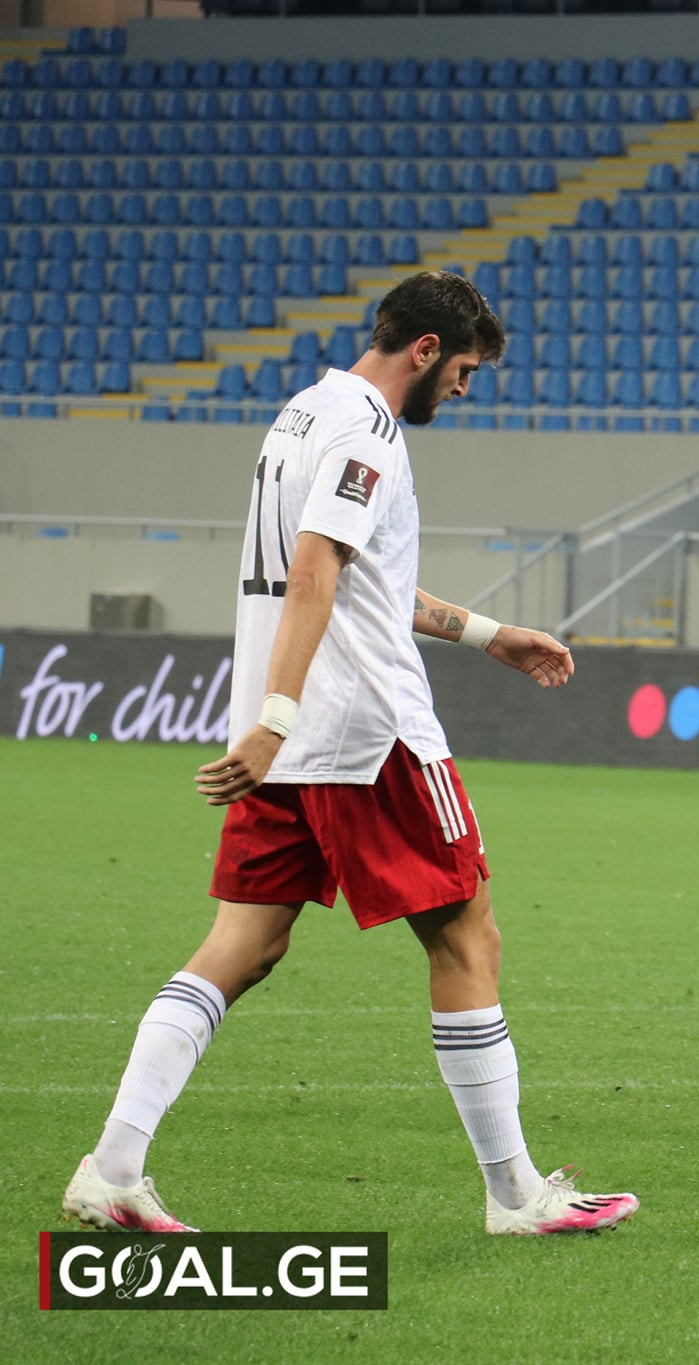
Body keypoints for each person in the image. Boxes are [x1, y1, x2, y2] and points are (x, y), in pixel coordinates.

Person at [60, 272, 637, 1237]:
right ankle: (515, 1195)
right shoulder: (369, 430)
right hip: (367, 733)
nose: (462, 389)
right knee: (468, 937)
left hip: (286, 738)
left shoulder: (301, 413)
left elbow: (362, 575)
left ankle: (112, 1167)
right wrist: (283, 716)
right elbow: (319, 567)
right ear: (423, 351)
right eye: (461, 370)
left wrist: (490, 631)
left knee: (241, 945)